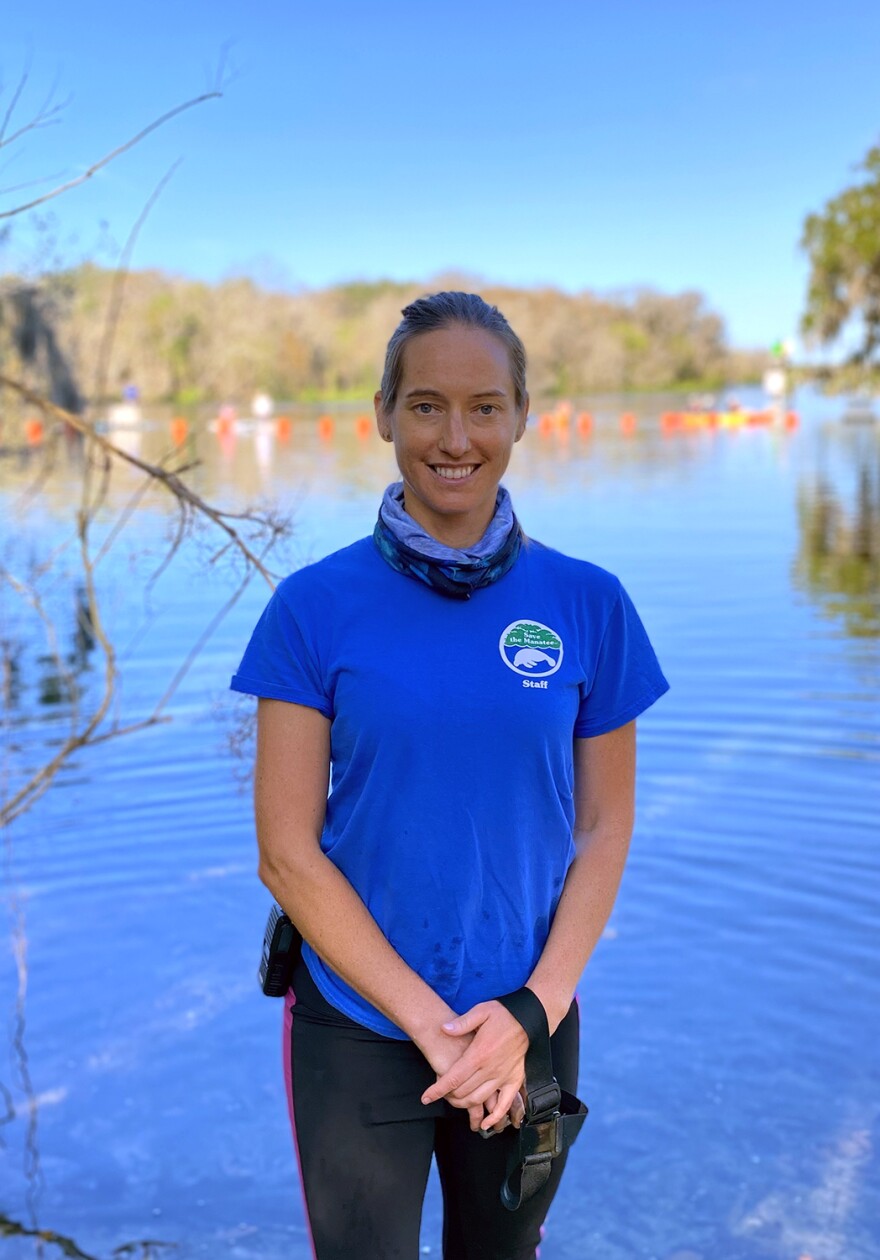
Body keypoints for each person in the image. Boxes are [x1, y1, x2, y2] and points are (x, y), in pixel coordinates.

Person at [230, 291, 669, 1259]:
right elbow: (286, 855)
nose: (455, 437)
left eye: (483, 406)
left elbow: (604, 832)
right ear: (382, 414)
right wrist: (434, 1030)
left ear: (521, 414)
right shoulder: (312, 609)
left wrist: (525, 1014)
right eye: (425, 405)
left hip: (527, 1018)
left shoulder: (589, 605)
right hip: (358, 1025)